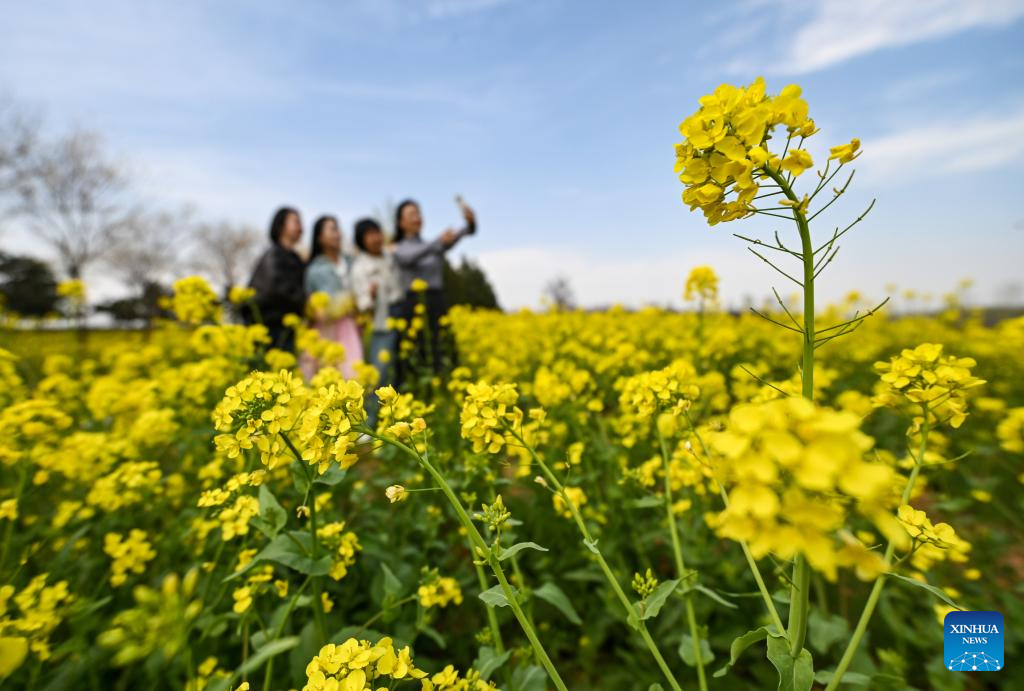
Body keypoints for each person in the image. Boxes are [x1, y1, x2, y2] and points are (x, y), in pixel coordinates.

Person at [392, 198, 475, 384]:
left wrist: (470, 223)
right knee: (415, 357)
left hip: (437, 302)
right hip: (413, 306)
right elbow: (409, 258)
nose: (417, 217)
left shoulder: (433, 245)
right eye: (412, 214)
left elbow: (461, 234)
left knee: (443, 352)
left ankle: (445, 391)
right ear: (400, 222)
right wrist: (438, 241)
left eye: (419, 213)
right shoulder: (399, 248)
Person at [303, 215, 364, 379]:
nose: (338, 234)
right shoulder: (314, 269)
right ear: (319, 237)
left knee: (353, 376)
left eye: (338, 229)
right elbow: (310, 303)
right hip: (326, 328)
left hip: (351, 326)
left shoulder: (352, 262)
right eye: (332, 229)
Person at [246, 207, 306, 354]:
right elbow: (276, 287)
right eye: (296, 222)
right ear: (280, 226)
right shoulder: (274, 255)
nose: (301, 228)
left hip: (287, 327)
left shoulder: (295, 257)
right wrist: (306, 301)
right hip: (270, 327)